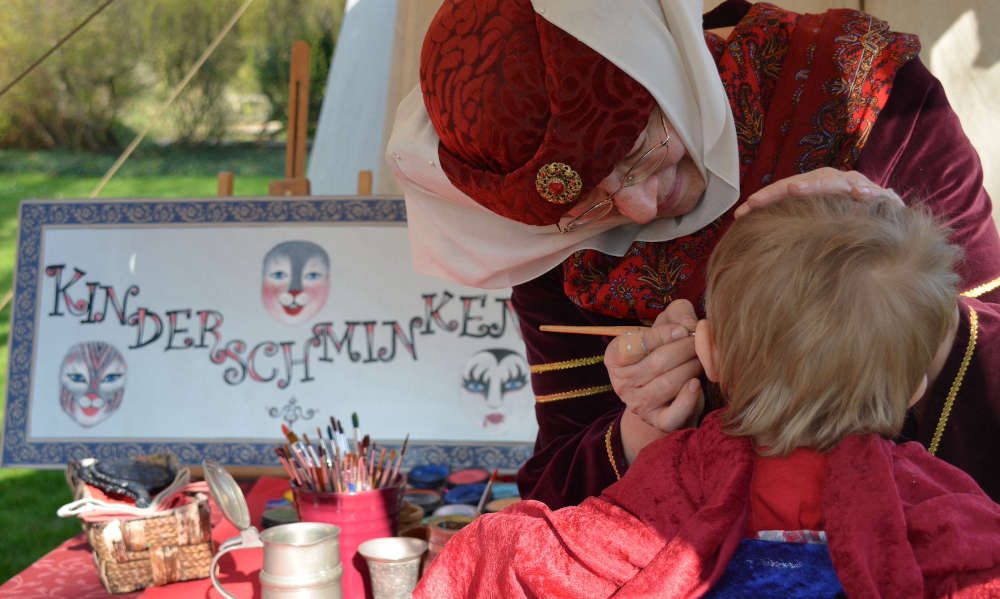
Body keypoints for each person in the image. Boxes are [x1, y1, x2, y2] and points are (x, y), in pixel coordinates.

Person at [387, 0, 1000, 507]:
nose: (642, 208)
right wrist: (637, 433)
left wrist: (899, 278)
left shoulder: (867, 98)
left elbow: (988, 365)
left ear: (667, 66)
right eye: (590, 206)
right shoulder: (551, 240)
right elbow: (555, 486)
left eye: (638, 155)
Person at [412, 195, 1000, 599]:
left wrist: (490, 543)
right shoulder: (942, 501)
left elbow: (556, 558)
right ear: (917, 384)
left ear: (709, 351)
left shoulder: (681, 470)